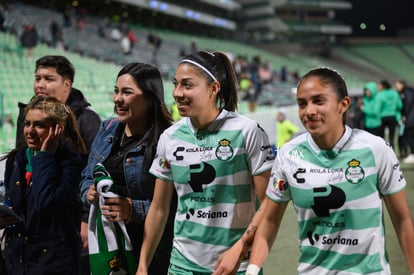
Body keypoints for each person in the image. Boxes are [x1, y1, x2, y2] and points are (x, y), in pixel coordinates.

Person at [244, 67, 414, 275]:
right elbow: (269, 220)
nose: (309, 111)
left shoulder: (376, 149)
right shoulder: (288, 155)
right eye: (302, 103)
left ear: (343, 104)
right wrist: (252, 270)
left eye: (319, 101)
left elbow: (402, 218)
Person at [136, 51, 275, 275]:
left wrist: (240, 249)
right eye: (176, 84)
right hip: (181, 266)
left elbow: (270, 204)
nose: (177, 93)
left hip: (235, 267)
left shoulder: (247, 132)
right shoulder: (170, 138)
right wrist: (143, 264)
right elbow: (159, 209)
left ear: (213, 88)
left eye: (187, 85)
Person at [81, 62, 175, 274]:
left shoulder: (168, 140)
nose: (117, 99)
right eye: (116, 91)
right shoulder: (107, 129)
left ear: (150, 98)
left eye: (127, 92)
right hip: (110, 248)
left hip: (151, 253)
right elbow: (86, 176)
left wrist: (133, 209)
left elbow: (178, 207)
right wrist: (88, 191)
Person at [14, 55, 101, 275]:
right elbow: (24, 167)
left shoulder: (86, 120)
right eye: (37, 78)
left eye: (48, 79)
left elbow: (94, 172)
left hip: (64, 222)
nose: (40, 84)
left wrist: (84, 219)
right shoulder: (28, 115)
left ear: (66, 84)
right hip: (29, 231)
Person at [0, 96, 87, 274]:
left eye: (39, 125)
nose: (30, 131)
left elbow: (46, 203)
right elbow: (15, 207)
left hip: (54, 261)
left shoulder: (72, 163)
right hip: (17, 259)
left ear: (57, 130)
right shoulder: (17, 159)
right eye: (27, 124)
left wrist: (44, 156)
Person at [377, 79, 402, 149]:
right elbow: (400, 105)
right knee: (392, 136)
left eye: (379, 85)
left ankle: (383, 151)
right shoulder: (395, 93)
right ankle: (392, 152)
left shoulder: (381, 94)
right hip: (393, 116)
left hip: (383, 117)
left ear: (383, 86)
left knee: (382, 137)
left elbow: (378, 107)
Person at [395, 79, 414, 163]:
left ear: (402, 85)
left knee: (410, 136)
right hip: (411, 118)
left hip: (411, 119)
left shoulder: (407, 93)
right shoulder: (408, 92)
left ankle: (412, 154)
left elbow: (407, 105)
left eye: (398, 85)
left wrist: (405, 115)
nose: (396, 87)